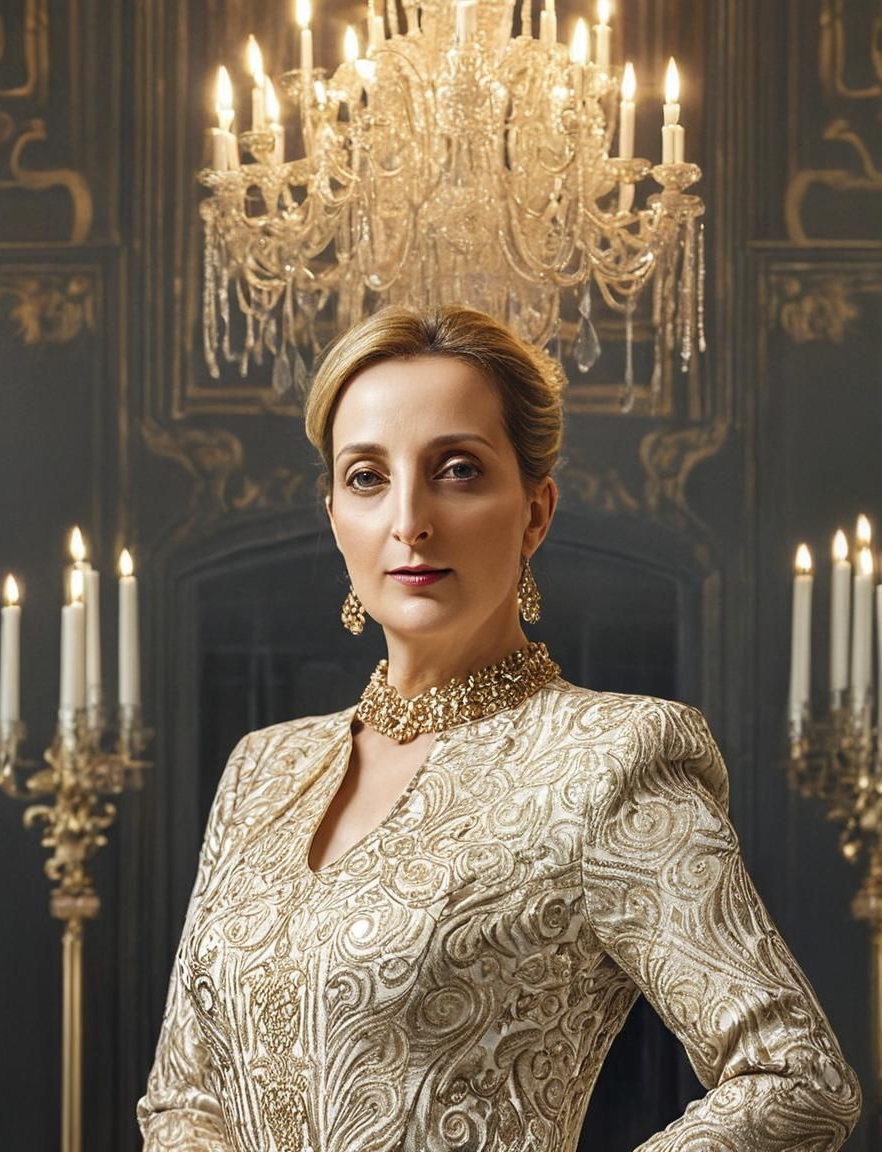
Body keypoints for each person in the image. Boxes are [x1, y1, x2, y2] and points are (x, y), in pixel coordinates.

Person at [137, 305, 862, 1151]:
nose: (410, 519)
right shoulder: (262, 769)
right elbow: (183, 1098)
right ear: (335, 514)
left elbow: (796, 1077)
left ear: (534, 513)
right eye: (368, 477)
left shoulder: (611, 761)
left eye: (456, 470)